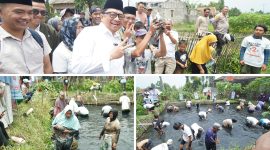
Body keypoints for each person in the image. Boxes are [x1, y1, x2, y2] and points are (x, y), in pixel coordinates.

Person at [71, 0, 131, 74]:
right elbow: (77, 68)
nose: (117, 19)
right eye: (112, 15)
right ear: (102, 16)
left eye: (120, 16)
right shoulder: (89, 33)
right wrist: (110, 56)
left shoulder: (118, 37)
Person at [0, 0, 53, 74]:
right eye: (19, 12)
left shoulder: (39, 37)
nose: (26, 17)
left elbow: (47, 67)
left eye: (30, 13)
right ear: (1, 12)